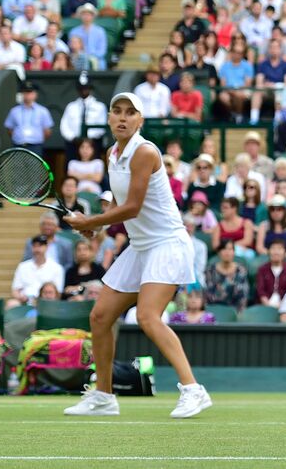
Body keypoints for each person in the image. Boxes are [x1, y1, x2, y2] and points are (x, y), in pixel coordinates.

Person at [62, 92, 212, 418]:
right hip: (141, 245)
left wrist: (90, 220)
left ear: (140, 120)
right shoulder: (112, 154)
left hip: (167, 244)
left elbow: (133, 206)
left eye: (130, 113)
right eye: (116, 111)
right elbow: (119, 205)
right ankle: (104, 396)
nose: (122, 117)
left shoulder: (144, 152)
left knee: (147, 316)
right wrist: (96, 229)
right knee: (100, 317)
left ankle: (193, 390)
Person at [9, 235, 64, 309]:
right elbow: (15, 290)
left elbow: (58, 293)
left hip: (46, 302)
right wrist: (21, 297)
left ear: (47, 247)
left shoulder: (57, 268)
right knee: (11, 303)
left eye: (40, 246)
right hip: (25, 302)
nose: (37, 249)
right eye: (34, 246)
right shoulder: (23, 266)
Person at [3, 81, 53, 156]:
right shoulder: (14, 111)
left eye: (30, 92)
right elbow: (10, 130)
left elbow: (47, 131)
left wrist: (36, 139)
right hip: (18, 146)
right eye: (25, 92)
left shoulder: (43, 111)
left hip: (35, 146)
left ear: (35, 94)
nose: (27, 95)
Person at [204, 239, 249, 310]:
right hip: (214, 309)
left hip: (234, 310)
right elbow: (208, 294)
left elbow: (243, 295)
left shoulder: (240, 270)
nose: (227, 252)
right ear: (219, 252)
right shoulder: (210, 270)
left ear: (234, 252)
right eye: (224, 249)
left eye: (230, 249)